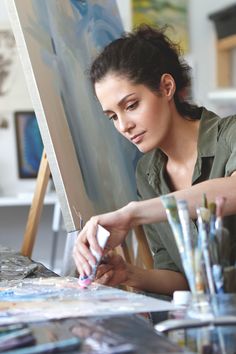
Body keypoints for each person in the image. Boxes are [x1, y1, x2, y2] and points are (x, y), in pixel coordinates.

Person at [73, 24, 236, 299]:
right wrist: (129, 273)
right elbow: (182, 278)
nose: (124, 125)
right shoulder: (148, 174)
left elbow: (231, 191)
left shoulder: (230, 134)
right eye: (112, 116)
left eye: (131, 105)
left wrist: (132, 214)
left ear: (167, 87)